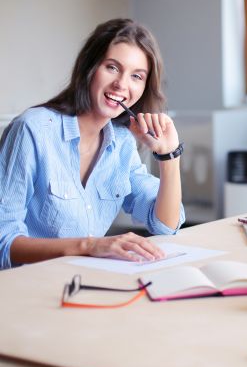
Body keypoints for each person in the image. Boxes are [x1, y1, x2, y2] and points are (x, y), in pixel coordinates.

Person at [0, 18, 185, 270]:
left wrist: (168, 156)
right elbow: (4, 242)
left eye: (136, 76)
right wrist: (89, 246)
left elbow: (165, 225)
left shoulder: (121, 142)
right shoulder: (32, 130)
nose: (122, 84)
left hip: (84, 283)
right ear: (90, 67)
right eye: (112, 67)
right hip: (27, 290)